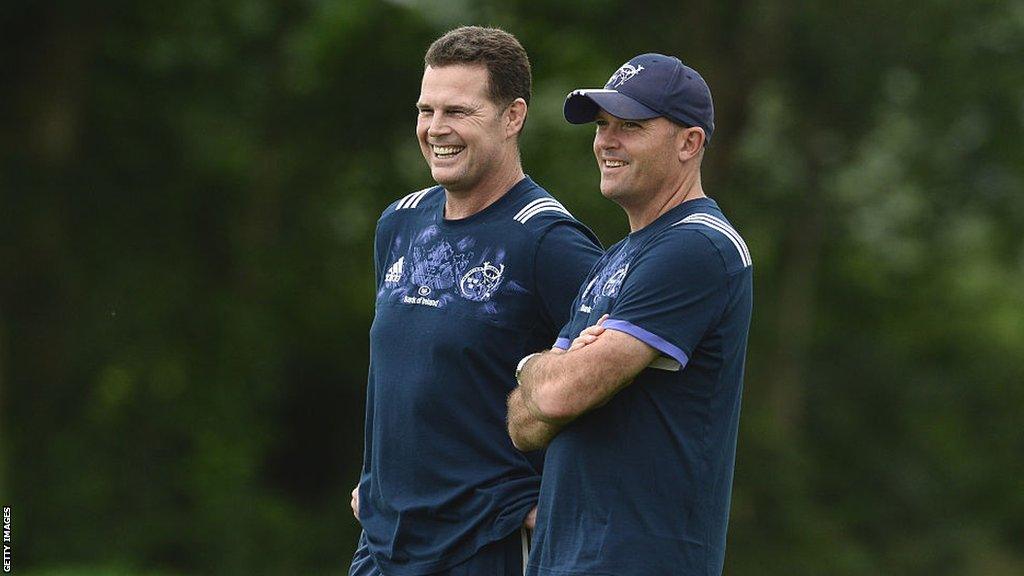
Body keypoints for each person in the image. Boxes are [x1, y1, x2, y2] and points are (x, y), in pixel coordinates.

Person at [349, 27, 603, 576]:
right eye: (426, 110)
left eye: (458, 112)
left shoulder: (550, 242)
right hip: (381, 547)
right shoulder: (399, 222)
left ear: (512, 117)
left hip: (483, 548)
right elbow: (402, 373)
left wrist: (559, 501)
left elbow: (615, 382)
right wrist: (377, 482)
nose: (436, 129)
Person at [507, 53, 753, 576]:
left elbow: (554, 395)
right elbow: (525, 425)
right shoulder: (619, 257)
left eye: (631, 127)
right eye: (603, 125)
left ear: (689, 143)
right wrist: (554, 376)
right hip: (563, 560)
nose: (606, 141)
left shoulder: (699, 247)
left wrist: (533, 368)